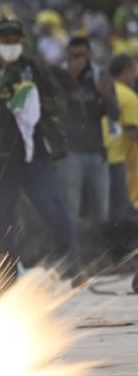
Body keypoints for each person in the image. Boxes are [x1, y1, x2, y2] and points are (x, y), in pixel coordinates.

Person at [0, 18, 78, 276]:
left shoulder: (32, 70)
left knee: (52, 209)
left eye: (16, 41)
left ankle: (70, 262)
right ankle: (7, 274)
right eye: (6, 41)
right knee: (1, 220)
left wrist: (35, 104)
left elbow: (57, 99)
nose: (11, 46)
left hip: (32, 156)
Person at [57, 36, 120, 236]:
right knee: (70, 211)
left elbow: (115, 114)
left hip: (96, 151)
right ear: (67, 55)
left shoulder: (100, 76)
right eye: (73, 55)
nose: (77, 60)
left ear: (89, 55)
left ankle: (100, 256)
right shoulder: (59, 75)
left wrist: (107, 95)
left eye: (81, 55)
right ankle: (74, 256)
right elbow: (52, 109)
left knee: (101, 211)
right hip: (70, 152)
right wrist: (71, 80)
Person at [105, 54, 138, 222]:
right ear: (127, 70)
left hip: (102, 156)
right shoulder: (129, 96)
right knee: (121, 213)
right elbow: (133, 132)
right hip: (120, 160)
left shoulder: (106, 89)